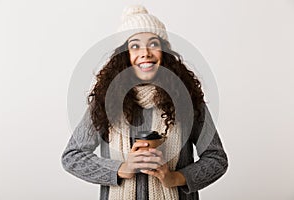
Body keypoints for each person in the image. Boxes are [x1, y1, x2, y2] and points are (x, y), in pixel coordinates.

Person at [61, 5, 228, 200]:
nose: (146, 53)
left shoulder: (188, 100)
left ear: (163, 52)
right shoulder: (105, 102)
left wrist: (175, 177)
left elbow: (217, 159)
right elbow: (72, 156)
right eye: (135, 46)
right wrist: (122, 168)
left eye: (153, 44)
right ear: (125, 55)